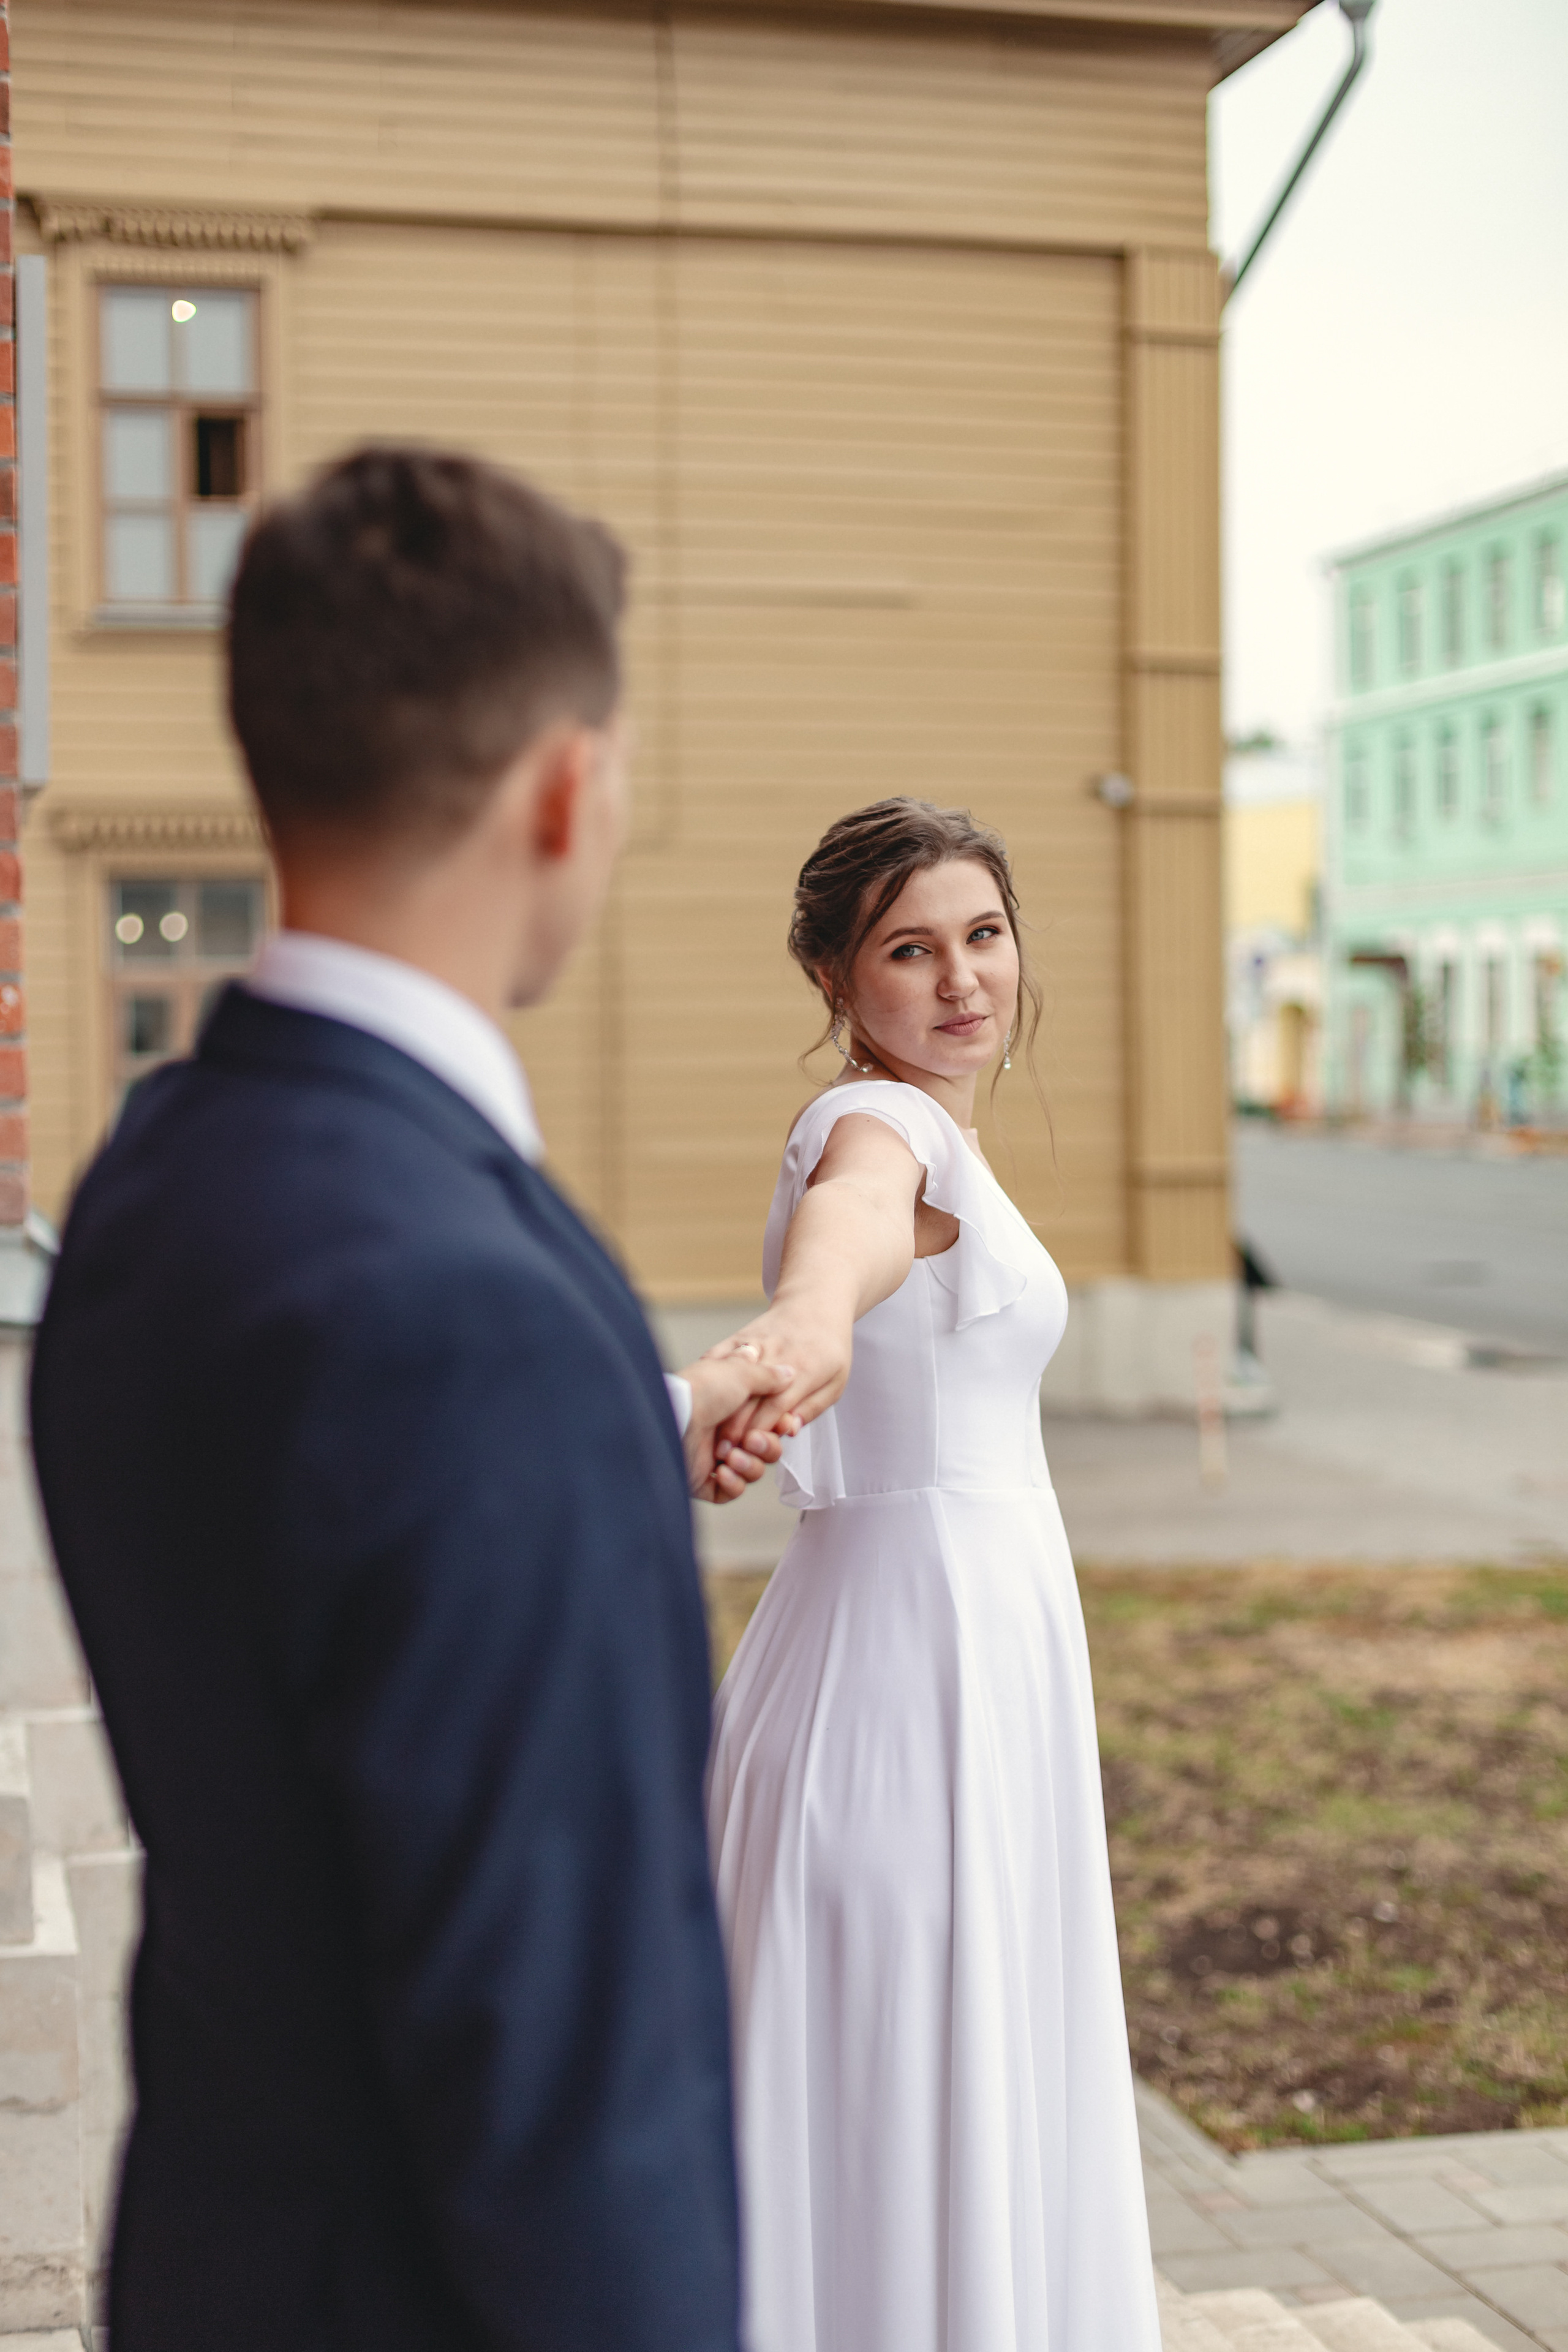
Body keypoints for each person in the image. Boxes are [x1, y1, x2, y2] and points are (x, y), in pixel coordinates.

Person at [29, 447, 794, 2352]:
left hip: (225, 2259)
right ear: (565, 785)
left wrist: (612, 1433)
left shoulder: (165, 1170)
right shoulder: (470, 1314)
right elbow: (561, 2073)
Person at [704, 799, 1161, 2352]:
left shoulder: (943, 1137)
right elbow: (846, 1234)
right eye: (910, 949)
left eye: (983, 935)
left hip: (966, 1647)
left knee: (953, 2053)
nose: (962, 979)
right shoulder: (871, 1127)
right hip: (908, 1676)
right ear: (839, 983)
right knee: (901, 2057)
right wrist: (800, 1327)